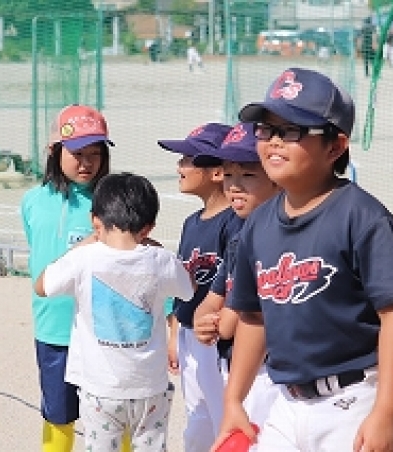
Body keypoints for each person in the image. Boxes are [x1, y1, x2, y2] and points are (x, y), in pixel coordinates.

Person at [211, 67, 393, 452]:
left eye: (291, 130)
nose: (274, 141)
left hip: (356, 398)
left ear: (335, 146)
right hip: (286, 404)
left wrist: (386, 411)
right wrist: (234, 400)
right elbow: (253, 317)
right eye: (266, 129)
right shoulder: (258, 224)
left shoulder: (362, 217)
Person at [34, 172, 195, 452]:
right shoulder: (162, 261)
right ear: (149, 227)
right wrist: (156, 248)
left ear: (95, 221)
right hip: (150, 387)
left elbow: (42, 286)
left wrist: (83, 244)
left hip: (100, 390)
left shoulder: (83, 258)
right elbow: (189, 289)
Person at [21, 104, 125, 452]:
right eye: (77, 153)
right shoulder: (33, 201)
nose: (86, 163)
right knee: (58, 414)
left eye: (95, 154)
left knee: (115, 414)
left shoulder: (116, 202)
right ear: (55, 152)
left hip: (105, 330)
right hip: (54, 329)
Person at [157, 122, 245, 452]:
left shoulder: (234, 222)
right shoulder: (191, 223)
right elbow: (182, 286)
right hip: (188, 335)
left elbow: (234, 285)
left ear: (218, 172)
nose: (179, 166)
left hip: (215, 338)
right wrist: (174, 333)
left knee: (223, 416)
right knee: (197, 419)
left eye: (188, 159)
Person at [191, 122, 281, 435]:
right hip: (238, 370)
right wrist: (203, 319)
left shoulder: (276, 236)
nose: (234, 186)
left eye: (248, 175)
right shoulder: (239, 237)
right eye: (228, 175)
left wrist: (223, 319)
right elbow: (213, 298)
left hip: (271, 374)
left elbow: (234, 321)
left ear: (276, 178)